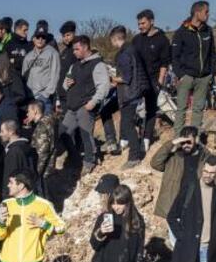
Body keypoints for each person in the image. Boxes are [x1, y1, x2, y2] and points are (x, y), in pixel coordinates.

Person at [60, 36, 110, 174]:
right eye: (73, 49)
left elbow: (104, 86)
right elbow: (65, 84)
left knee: (85, 134)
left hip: (85, 106)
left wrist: (93, 102)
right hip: (72, 107)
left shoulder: (97, 64)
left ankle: (89, 161)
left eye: (77, 49)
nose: (74, 52)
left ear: (86, 47)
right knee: (63, 133)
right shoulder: (74, 65)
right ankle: (74, 158)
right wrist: (67, 83)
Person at [149, 125, 209, 229]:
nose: (186, 145)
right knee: (176, 242)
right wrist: (172, 143)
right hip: (174, 208)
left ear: (196, 140)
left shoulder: (203, 158)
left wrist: (201, 145)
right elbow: (155, 163)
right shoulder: (174, 158)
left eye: (189, 142)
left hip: (194, 208)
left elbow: (213, 170)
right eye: (183, 142)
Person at [170, 0, 215, 136]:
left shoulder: (208, 31)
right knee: (181, 108)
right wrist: (180, 74)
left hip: (204, 77)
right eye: (206, 11)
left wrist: (211, 72)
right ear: (197, 12)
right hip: (187, 76)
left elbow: (213, 53)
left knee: (198, 108)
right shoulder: (181, 32)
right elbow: (174, 56)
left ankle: (194, 138)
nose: (208, 14)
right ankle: (178, 138)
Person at [110, 25, 148, 167]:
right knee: (128, 123)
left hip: (129, 95)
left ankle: (134, 156)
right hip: (134, 92)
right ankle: (135, 152)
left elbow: (126, 77)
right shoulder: (132, 49)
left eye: (112, 41)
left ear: (115, 39)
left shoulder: (124, 54)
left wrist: (112, 79)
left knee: (127, 125)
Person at [132, 9, 171, 145]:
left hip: (153, 79)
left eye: (143, 23)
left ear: (152, 21)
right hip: (137, 80)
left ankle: (147, 138)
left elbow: (164, 63)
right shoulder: (136, 40)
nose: (140, 26)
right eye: (138, 24)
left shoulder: (162, 39)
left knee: (151, 109)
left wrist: (159, 82)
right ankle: (133, 137)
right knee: (131, 108)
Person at [22, 28, 60, 114]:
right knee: (33, 126)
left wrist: (46, 94)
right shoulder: (28, 56)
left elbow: (55, 75)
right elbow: (24, 76)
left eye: (43, 37)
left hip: (44, 98)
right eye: (38, 37)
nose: (40, 39)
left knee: (45, 125)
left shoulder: (53, 53)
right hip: (31, 97)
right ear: (33, 38)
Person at [0, 119, 36, 186]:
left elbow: (10, 175)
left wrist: (7, 193)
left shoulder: (14, 151)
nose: (0, 134)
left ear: (11, 132)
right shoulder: (25, 146)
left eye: (2, 131)